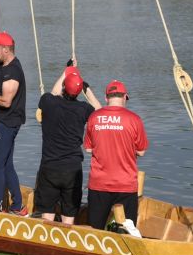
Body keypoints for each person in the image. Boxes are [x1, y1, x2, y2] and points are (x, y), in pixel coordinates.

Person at [35, 60, 99, 222]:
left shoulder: (49, 102)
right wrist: (86, 87)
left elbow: (54, 92)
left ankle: (46, 243)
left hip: (50, 167)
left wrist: (68, 70)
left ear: (64, 87)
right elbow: (100, 112)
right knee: (69, 217)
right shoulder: (83, 109)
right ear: (78, 92)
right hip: (72, 170)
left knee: (47, 216)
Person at [84, 79, 148, 231]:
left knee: (95, 231)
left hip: (99, 184)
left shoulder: (94, 118)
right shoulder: (134, 119)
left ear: (106, 98)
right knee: (127, 232)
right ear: (125, 97)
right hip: (125, 185)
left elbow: (88, 149)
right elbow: (141, 151)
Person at [0, 31, 26, 214]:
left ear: (6, 50)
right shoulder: (0, 61)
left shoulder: (12, 72)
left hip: (7, 123)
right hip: (0, 121)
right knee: (6, 164)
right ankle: (18, 206)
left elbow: (6, 101)